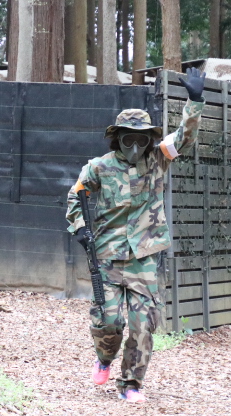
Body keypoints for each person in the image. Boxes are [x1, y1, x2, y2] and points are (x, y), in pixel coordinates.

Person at [65, 67, 206, 403]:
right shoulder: (99, 166)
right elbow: (76, 195)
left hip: (144, 258)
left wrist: (195, 101)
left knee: (144, 324)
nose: (135, 145)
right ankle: (104, 358)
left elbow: (184, 138)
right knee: (109, 321)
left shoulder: (158, 158)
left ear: (148, 140)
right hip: (108, 256)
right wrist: (80, 227)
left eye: (141, 139)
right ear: (117, 138)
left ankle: (131, 384)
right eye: (129, 138)